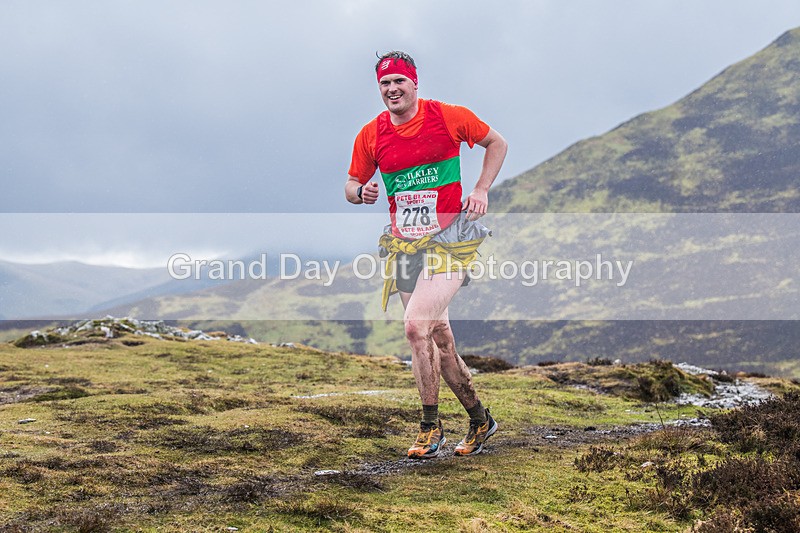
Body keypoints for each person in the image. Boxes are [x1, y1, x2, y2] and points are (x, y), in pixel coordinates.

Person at [345, 51, 508, 458]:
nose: (392, 89)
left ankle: (428, 427)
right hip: (403, 245)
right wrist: (360, 193)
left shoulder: (447, 116)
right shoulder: (372, 134)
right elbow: (350, 183)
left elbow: (496, 143)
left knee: (416, 326)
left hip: (450, 241)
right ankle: (480, 420)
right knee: (440, 339)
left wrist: (481, 189)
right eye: (385, 83)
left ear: (414, 83)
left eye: (399, 81)